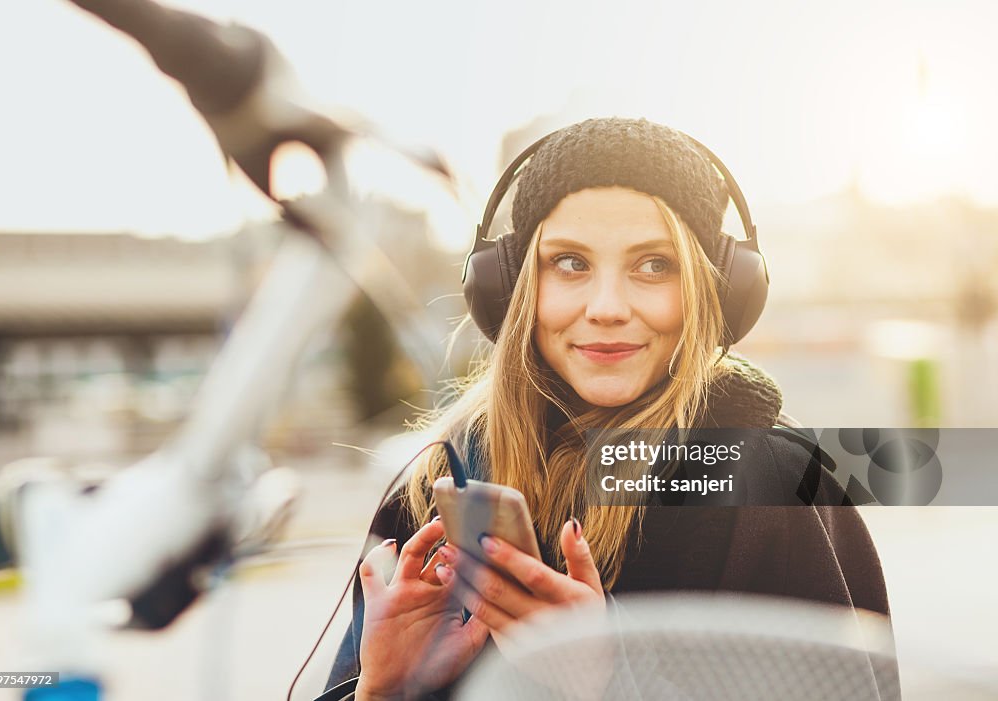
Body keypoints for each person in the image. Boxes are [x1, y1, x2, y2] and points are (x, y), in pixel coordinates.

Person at [317, 117, 890, 701]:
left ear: (715, 290)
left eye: (654, 265)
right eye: (570, 263)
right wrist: (380, 691)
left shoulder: (774, 483)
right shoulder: (443, 481)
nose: (608, 307)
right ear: (510, 285)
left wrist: (608, 683)